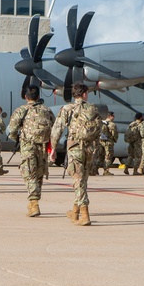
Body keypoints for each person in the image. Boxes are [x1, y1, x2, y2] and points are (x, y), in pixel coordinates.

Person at [49, 84, 102, 226]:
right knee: (82, 181)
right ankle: (75, 212)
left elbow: (57, 129)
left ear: (74, 95)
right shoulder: (93, 108)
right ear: (85, 94)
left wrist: (53, 148)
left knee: (78, 181)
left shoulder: (67, 109)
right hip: (90, 149)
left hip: (75, 148)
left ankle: (85, 215)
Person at [8, 84, 55, 217]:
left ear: (25, 96)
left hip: (28, 145)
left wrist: (19, 138)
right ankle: (34, 201)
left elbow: (11, 130)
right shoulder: (46, 110)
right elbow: (54, 127)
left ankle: (34, 204)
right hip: (43, 146)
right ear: (38, 96)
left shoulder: (21, 110)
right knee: (39, 173)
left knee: (30, 174)